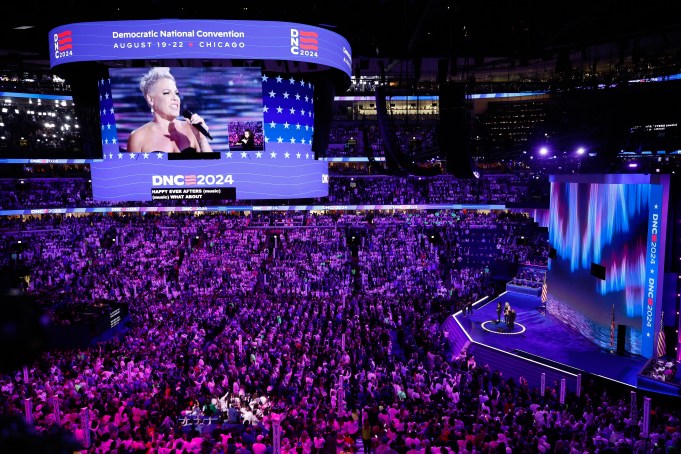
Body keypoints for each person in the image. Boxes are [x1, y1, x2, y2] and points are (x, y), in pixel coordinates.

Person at [127, 67, 213, 153]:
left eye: (176, 93)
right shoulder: (138, 137)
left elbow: (212, 165)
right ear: (151, 99)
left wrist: (202, 139)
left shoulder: (191, 128)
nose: (175, 98)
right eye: (166, 93)